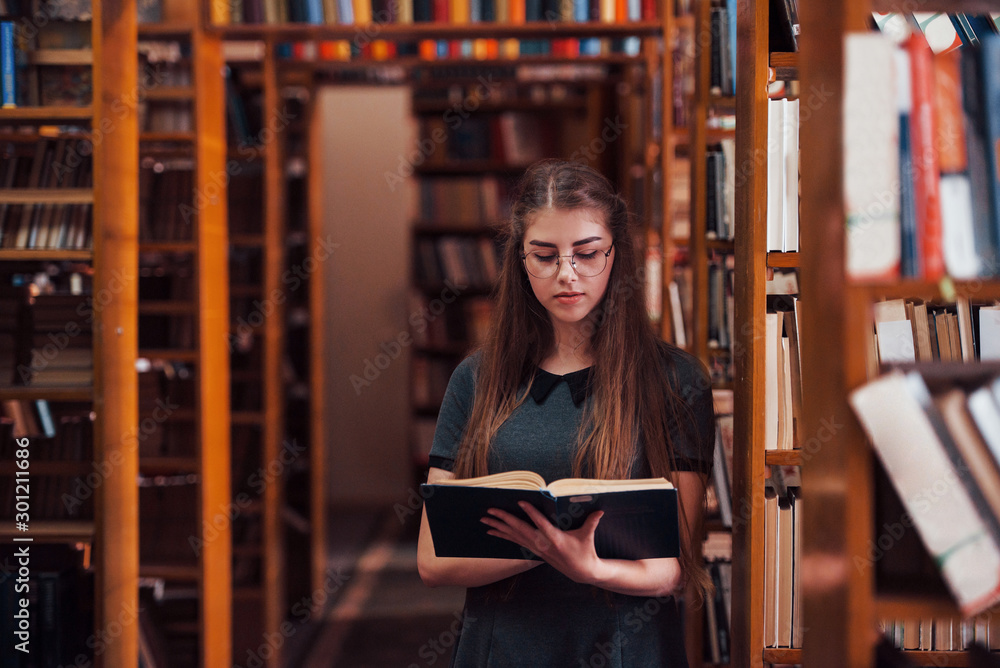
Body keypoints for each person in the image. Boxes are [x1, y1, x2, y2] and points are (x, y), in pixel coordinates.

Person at [417, 159, 716, 667]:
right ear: (520, 260)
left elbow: (675, 566)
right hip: (503, 646)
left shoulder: (675, 381)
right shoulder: (476, 378)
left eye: (586, 254)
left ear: (615, 254)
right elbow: (432, 558)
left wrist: (589, 568)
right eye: (545, 256)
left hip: (626, 646)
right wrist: (543, 546)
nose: (566, 274)